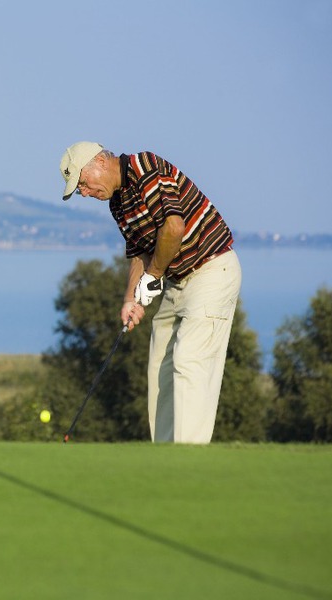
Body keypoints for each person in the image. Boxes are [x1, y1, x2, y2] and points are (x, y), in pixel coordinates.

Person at [59, 141, 241, 444]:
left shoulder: (146, 167)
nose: (84, 192)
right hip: (178, 281)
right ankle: (165, 454)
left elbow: (173, 227)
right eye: (79, 189)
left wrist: (154, 276)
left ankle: (187, 459)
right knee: (160, 364)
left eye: (83, 183)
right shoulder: (117, 203)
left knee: (189, 360)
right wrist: (131, 298)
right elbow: (139, 254)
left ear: (100, 163)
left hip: (212, 271)